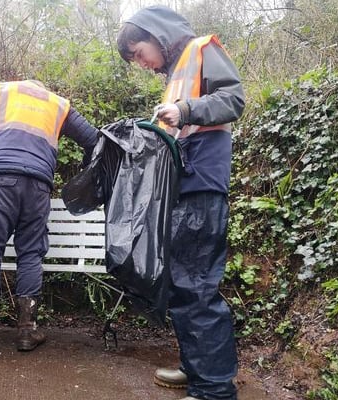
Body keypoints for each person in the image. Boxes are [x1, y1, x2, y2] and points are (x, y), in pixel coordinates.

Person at [117, 6, 245, 400]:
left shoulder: (202, 49)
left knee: (196, 286)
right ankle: (197, 370)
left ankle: (214, 389)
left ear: (156, 34)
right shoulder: (175, 76)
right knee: (184, 284)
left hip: (202, 184)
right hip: (185, 186)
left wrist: (185, 109)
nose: (141, 63)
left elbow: (234, 99)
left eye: (139, 53)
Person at [0, 80, 98, 356]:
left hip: (0, 180)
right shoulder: (59, 104)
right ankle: (27, 331)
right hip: (38, 187)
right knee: (31, 254)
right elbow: (95, 140)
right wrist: (86, 172)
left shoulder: (5, 91)